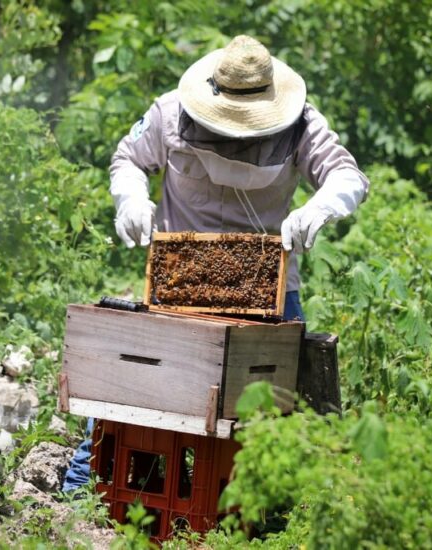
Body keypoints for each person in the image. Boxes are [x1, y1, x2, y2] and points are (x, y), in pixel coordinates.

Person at [62, 34, 369, 491]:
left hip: (266, 290)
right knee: (133, 390)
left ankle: (270, 503)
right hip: (179, 283)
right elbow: (129, 158)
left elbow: (347, 174)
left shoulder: (301, 123)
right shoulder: (170, 111)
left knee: (286, 408)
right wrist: (130, 199)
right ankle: (86, 486)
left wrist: (319, 208)